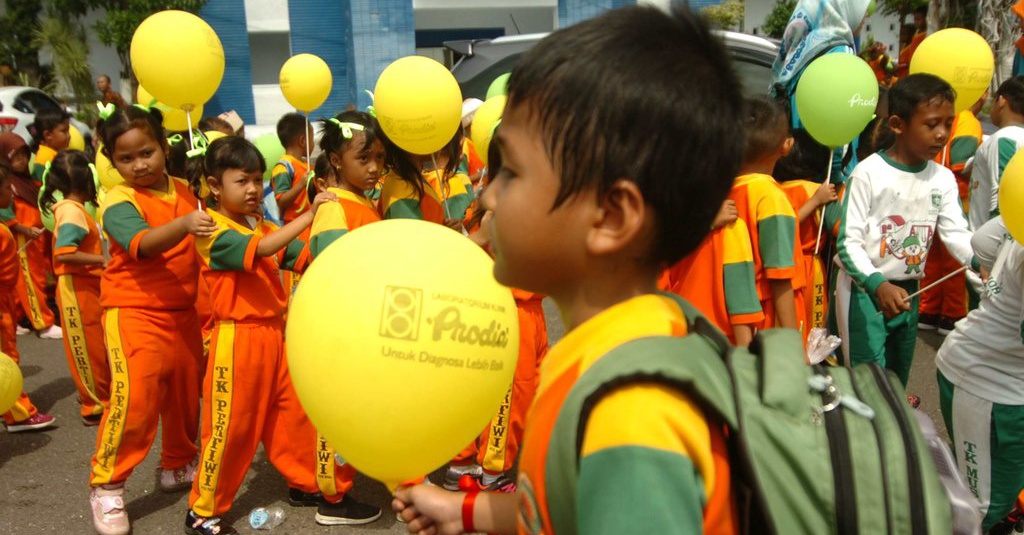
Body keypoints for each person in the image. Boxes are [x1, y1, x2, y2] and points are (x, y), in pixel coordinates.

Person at [392, 5, 745, 533]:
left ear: (610, 216)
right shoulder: (621, 345)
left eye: (510, 171)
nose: (487, 194)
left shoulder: (630, 416)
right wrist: (463, 511)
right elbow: (566, 506)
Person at [183, 136, 379, 535]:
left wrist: (346, 247)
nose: (254, 189)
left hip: (277, 332)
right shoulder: (210, 229)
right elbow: (260, 250)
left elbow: (299, 256)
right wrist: (310, 216)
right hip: (238, 340)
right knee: (231, 427)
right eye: (242, 181)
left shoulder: (263, 223)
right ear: (215, 185)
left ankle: (307, 485)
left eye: (257, 180)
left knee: (294, 416)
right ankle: (202, 511)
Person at [87, 106, 213, 535]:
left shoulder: (184, 189)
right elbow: (141, 245)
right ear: (112, 161)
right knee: (134, 403)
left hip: (183, 313)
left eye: (147, 152)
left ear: (163, 146)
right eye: (126, 158)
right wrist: (184, 223)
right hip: (133, 312)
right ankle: (107, 484)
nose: (139, 165)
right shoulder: (117, 200)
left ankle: (177, 464)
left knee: (183, 396)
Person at [833, 73, 977, 387]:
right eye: (931, 124)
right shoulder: (868, 173)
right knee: (866, 383)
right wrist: (877, 284)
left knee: (897, 382)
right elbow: (848, 243)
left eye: (948, 124)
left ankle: (894, 433)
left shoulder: (942, 178)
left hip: (910, 293)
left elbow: (955, 234)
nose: (942, 134)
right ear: (898, 124)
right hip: (864, 292)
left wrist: (983, 260)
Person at [443, 141, 550, 493]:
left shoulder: (509, 200)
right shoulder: (500, 205)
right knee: (511, 394)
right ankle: (492, 470)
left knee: (523, 390)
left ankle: (470, 463)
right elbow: (469, 250)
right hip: (512, 311)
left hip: (529, 309)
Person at [934, 216, 1024, 533]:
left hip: (978, 367)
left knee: (987, 495)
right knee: (982, 506)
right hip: (988, 386)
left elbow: (983, 239)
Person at [39, 150, 109, 426]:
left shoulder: (73, 209)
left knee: (95, 343)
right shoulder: (70, 210)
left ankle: (99, 397)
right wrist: (103, 259)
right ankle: (94, 404)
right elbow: (64, 252)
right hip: (75, 287)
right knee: (86, 345)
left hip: (85, 284)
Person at [729, 96, 805, 335]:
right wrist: (791, 341)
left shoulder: (723, 190)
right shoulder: (771, 198)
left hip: (740, 315)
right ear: (786, 146)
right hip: (770, 316)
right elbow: (779, 274)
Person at [918, 90, 985, 330]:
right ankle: (953, 313)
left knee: (931, 257)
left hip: (928, 190)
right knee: (954, 259)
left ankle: (928, 310)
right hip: (957, 194)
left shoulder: (939, 115)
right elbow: (959, 159)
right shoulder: (966, 120)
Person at [0, 159, 56, 432]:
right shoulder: (2, 234)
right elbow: (9, 276)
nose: (11, 192)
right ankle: (18, 412)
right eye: (7, 187)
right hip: (1, 307)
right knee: (5, 359)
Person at [663, 199, 763, 346]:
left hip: (676, 334)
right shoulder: (730, 226)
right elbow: (741, 304)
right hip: (719, 344)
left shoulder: (666, 227)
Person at [775, 128, 839, 333]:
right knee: (812, 322)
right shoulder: (815, 191)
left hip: (779, 262)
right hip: (808, 265)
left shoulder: (774, 187)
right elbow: (838, 227)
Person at [0, 132, 61, 339]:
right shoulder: (8, 185)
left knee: (32, 279)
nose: (22, 161)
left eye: (23, 155)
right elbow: (6, 213)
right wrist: (25, 230)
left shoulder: (27, 181)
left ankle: (18, 318)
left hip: (37, 238)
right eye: (15, 156)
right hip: (22, 239)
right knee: (28, 280)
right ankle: (43, 323)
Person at [308, 112, 384, 259]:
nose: (374, 167)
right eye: (363, 158)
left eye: (379, 157)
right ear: (336, 160)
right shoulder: (333, 208)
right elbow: (335, 268)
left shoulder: (362, 200)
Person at [968, 77, 1024, 234]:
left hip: (992, 245)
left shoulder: (1005, 138)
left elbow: (1001, 195)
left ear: (1001, 101)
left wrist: (991, 245)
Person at [896, 6, 928, 79]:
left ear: (926, 19)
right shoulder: (916, 32)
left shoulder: (926, 35)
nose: (916, 22)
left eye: (919, 19)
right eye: (915, 19)